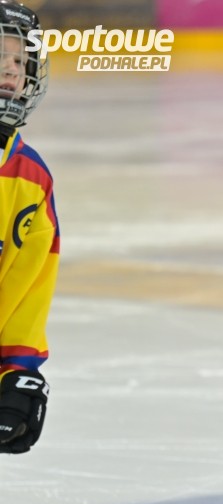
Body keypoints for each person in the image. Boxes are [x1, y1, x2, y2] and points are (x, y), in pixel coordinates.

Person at [0, 0, 56, 456]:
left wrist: (19, 370)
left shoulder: (30, 178)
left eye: (20, 61)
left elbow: (27, 286)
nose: (11, 70)